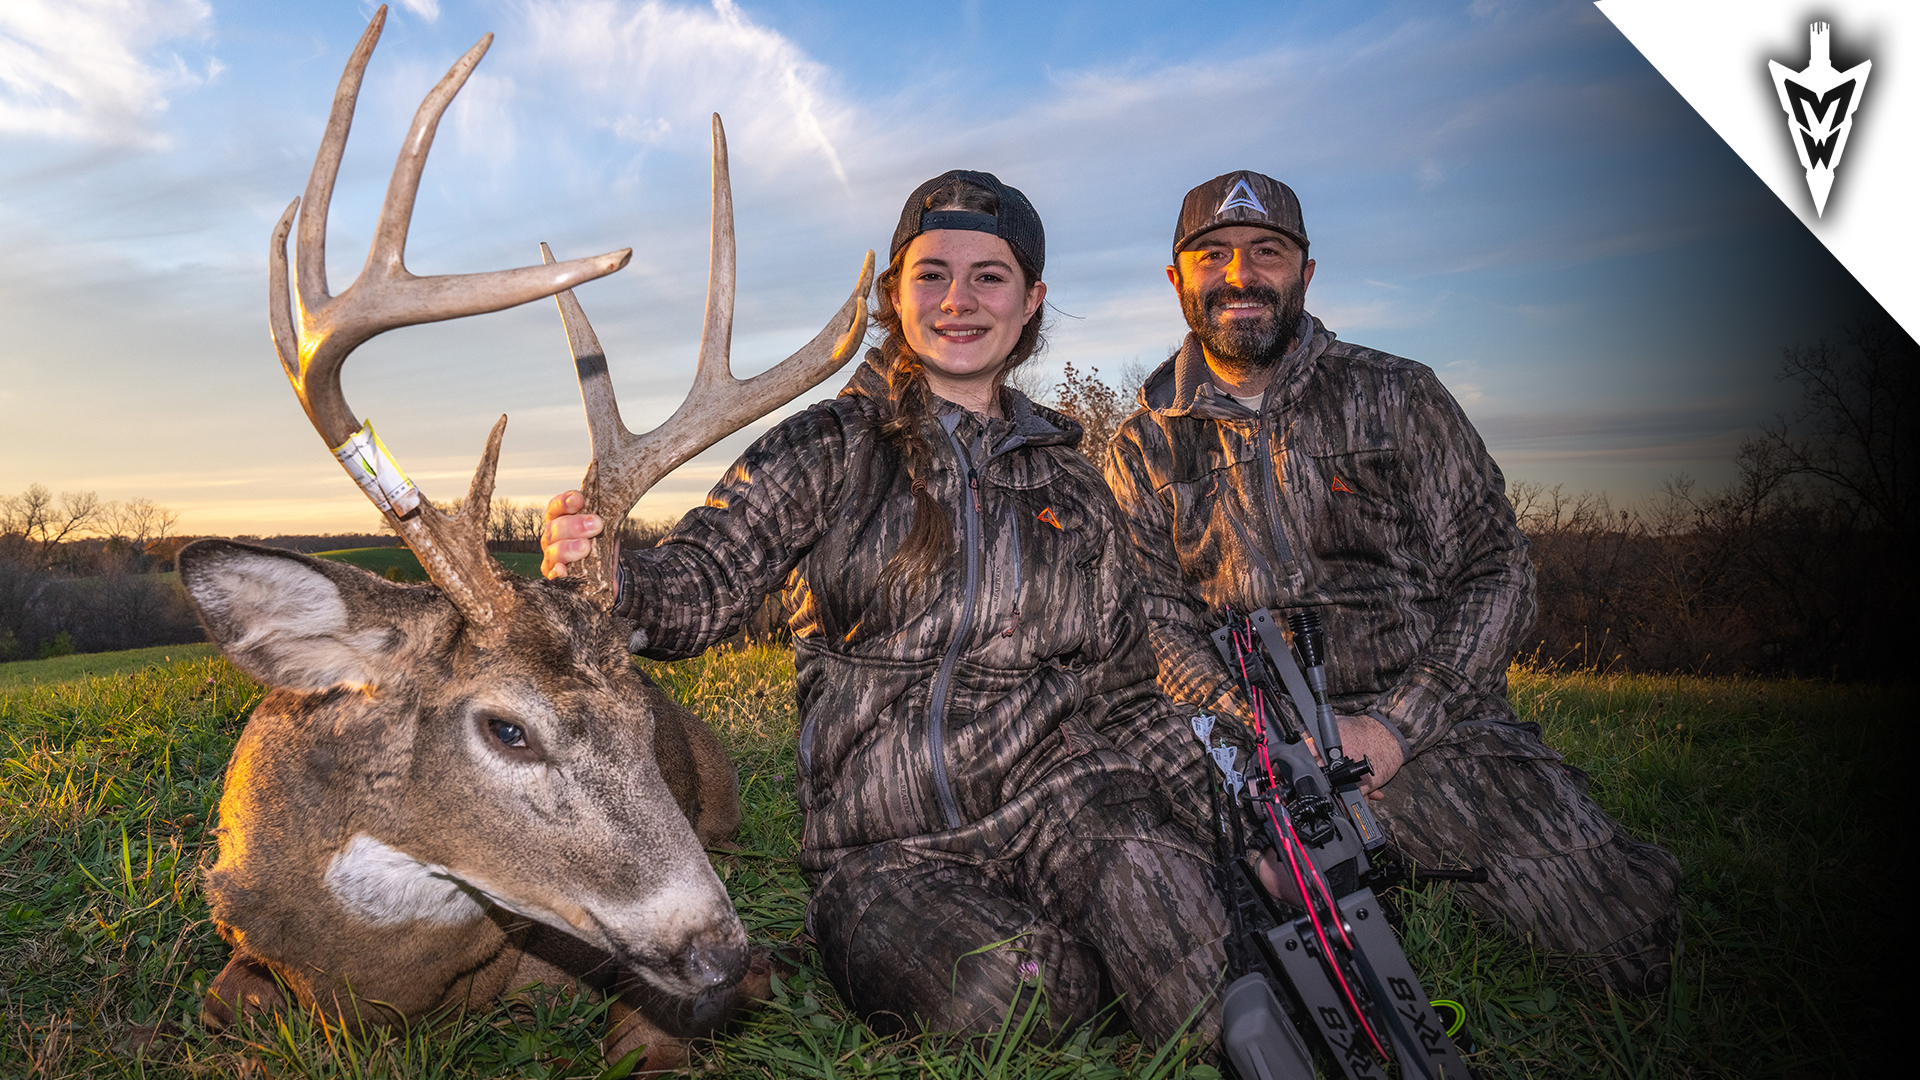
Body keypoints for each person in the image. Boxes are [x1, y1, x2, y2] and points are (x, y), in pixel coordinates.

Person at [542, 171, 1229, 1047]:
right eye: (931, 274)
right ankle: (1049, 964)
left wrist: (1235, 824)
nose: (958, 300)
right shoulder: (824, 448)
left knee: (1211, 971)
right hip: (886, 848)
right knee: (1016, 1000)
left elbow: (1128, 695)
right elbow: (699, 585)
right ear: (893, 295)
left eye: (990, 276)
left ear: (1031, 301)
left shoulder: (1071, 479)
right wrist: (614, 581)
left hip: (1071, 801)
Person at [1103, 170, 1682, 995]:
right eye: (1214, 256)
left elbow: (1498, 571)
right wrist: (1257, 731)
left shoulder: (1397, 395)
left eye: (1266, 252)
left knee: (1622, 949)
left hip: (1428, 729)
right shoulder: (1139, 446)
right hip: (1253, 750)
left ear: (1305, 271)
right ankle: (1340, 878)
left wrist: (1397, 725)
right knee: (1208, 961)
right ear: (1178, 281)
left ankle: (1426, 852)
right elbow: (1156, 623)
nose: (1239, 275)